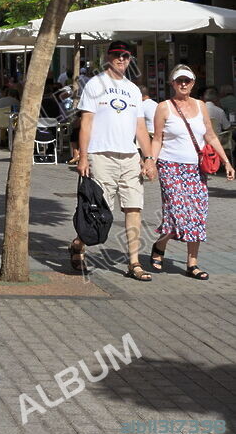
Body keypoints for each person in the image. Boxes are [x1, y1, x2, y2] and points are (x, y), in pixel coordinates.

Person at [71, 40, 156, 281]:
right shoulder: (95, 85)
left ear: (131, 59)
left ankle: (134, 262)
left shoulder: (133, 90)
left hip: (130, 157)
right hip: (101, 155)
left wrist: (148, 158)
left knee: (134, 208)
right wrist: (83, 156)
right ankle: (79, 244)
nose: (121, 59)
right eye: (117, 55)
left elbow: (140, 127)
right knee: (98, 212)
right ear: (108, 57)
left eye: (126, 56)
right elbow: (86, 122)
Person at [150, 65, 234, 280]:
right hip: (170, 166)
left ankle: (192, 263)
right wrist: (150, 162)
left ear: (193, 83)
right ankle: (160, 246)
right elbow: (157, 139)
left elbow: (211, 135)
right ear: (172, 83)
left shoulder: (200, 106)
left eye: (187, 80)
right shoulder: (164, 107)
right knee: (177, 211)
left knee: (197, 214)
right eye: (179, 81)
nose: (183, 84)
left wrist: (227, 162)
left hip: (196, 168)